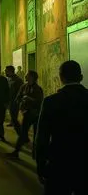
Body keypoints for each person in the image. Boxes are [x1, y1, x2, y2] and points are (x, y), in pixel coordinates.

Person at [34, 61, 88, 194]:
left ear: (61, 78)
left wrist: (41, 166)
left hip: (58, 163)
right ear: (81, 78)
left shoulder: (51, 102)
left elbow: (42, 138)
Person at [7, 70, 43, 159]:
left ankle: (35, 153)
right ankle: (16, 152)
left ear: (32, 77)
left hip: (35, 114)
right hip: (26, 113)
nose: (25, 77)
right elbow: (18, 97)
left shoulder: (37, 89)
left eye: (27, 75)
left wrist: (29, 98)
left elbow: (39, 102)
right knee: (23, 133)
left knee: (35, 135)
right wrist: (20, 102)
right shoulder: (23, 86)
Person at [5, 66, 24, 132]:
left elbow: (21, 90)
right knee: (11, 112)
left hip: (15, 100)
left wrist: (18, 99)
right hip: (10, 99)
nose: (5, 72)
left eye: (6, 71)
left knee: (14, 113)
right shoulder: (9, 79)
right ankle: (13, 122)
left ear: (10, 71)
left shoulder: (18, 80)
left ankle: (19, 129)